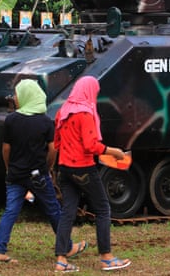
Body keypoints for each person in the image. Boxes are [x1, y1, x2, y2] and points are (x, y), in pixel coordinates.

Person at [54, 76, 131, 272]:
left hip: (64, 167)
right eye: (95, 92)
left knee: (68, 212)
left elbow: (57, 143)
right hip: (83, 168)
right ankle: (106, 257)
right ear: (89, 91)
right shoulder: (85, 114)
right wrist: (114, 152)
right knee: (103, 209)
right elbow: (90, 146)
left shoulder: (63, 111)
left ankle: (61, 260)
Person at [0, 79, 61, 264]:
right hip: (38, 174)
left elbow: (6, 148)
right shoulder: (46, 122)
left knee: (11, 211)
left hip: (15, 174)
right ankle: (66, 246)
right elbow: (53, 149)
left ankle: (0, 249)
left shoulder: (11, 120)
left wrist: (9, 168)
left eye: (16, 94)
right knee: (53, 209)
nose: (14, 98)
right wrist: (48, 168)